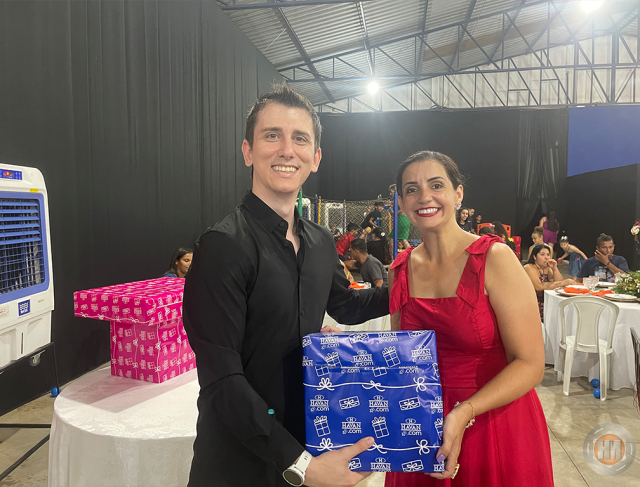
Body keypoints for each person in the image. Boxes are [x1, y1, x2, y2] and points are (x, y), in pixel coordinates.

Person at [182, 84, 389, 487]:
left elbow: (345, 305)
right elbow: (222, 379)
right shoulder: (222, 246)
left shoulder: (321, 241)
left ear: (316, 158)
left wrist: (412, 286)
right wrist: (302, 465)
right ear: (248, 151)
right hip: (240, 461)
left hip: (308, 438)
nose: (286, 150)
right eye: (272, 135)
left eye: (300, 139)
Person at [385, 150, 553, 486]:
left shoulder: (495, 258)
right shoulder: (399, 270)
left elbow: (531, 364)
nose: (425, 196)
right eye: (412, 189)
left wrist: (465, 411)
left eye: (436, 185)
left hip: (493, 421)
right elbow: (404, 359)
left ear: (458, 194)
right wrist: (348, 354)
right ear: (401, 203)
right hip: (425, 429)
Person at [524, 244, 576, 321]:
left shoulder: (547, 268)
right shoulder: (529, 267)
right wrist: (563, 283)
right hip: (531, 305)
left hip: (546, 303)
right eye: (542, 254)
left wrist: (555, 269)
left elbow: (559, 284)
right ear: (534, 257)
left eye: (548, 255)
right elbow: (539, 286)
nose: (546, 257)